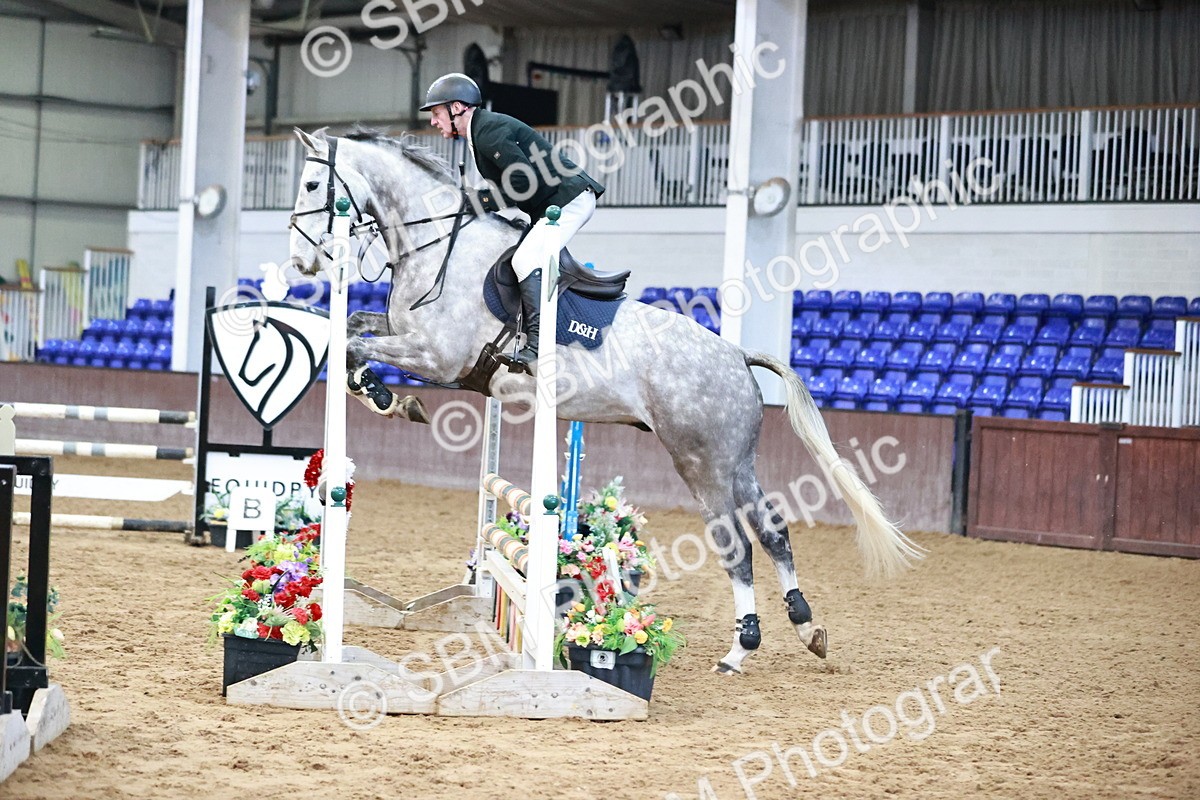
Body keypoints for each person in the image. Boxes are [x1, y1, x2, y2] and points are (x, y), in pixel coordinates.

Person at [422, 72, 605, 369]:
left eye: (436, 112)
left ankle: (538, 345)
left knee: (526, 260)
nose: (433, 121)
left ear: (457, 108)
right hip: (552, 205)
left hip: (569, 202)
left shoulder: (488, 131)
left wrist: (480, 202)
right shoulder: (479, 132)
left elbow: (522, 182)